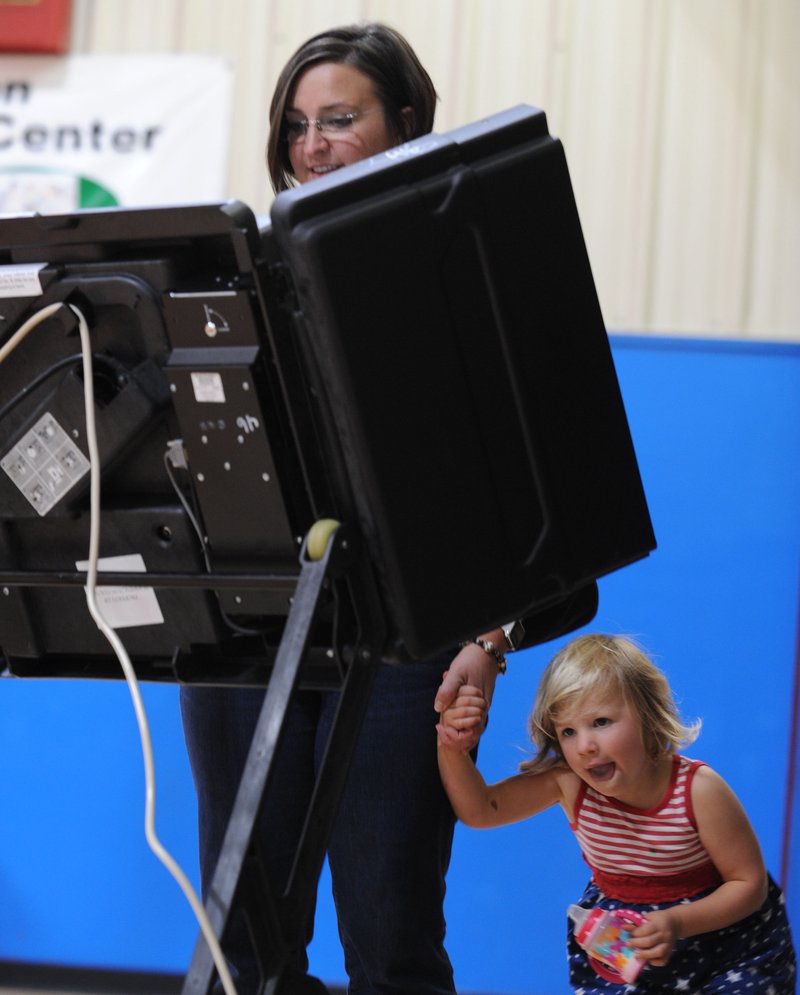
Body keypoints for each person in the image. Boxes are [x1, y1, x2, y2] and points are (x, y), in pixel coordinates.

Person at [181, 22, 599, 995]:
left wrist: (487, 638)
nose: (310, 144)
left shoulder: (471, 268)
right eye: (296, 125)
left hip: (409, 646)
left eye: (338, 119)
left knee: (387, 929)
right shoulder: (231, 278)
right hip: (251, 632)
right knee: (243, 940)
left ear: (404, 122)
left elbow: (538, 485)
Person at [437, 633, 797, 993]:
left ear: (646, 713)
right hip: (629, 950)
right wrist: (452, 747)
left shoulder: (698, 789)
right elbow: (480, 810)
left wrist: (675, 922)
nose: (585, 746)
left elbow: (748, 886)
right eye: (568, 731)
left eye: (601, 722)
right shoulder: (569, 783)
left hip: (728, 949)